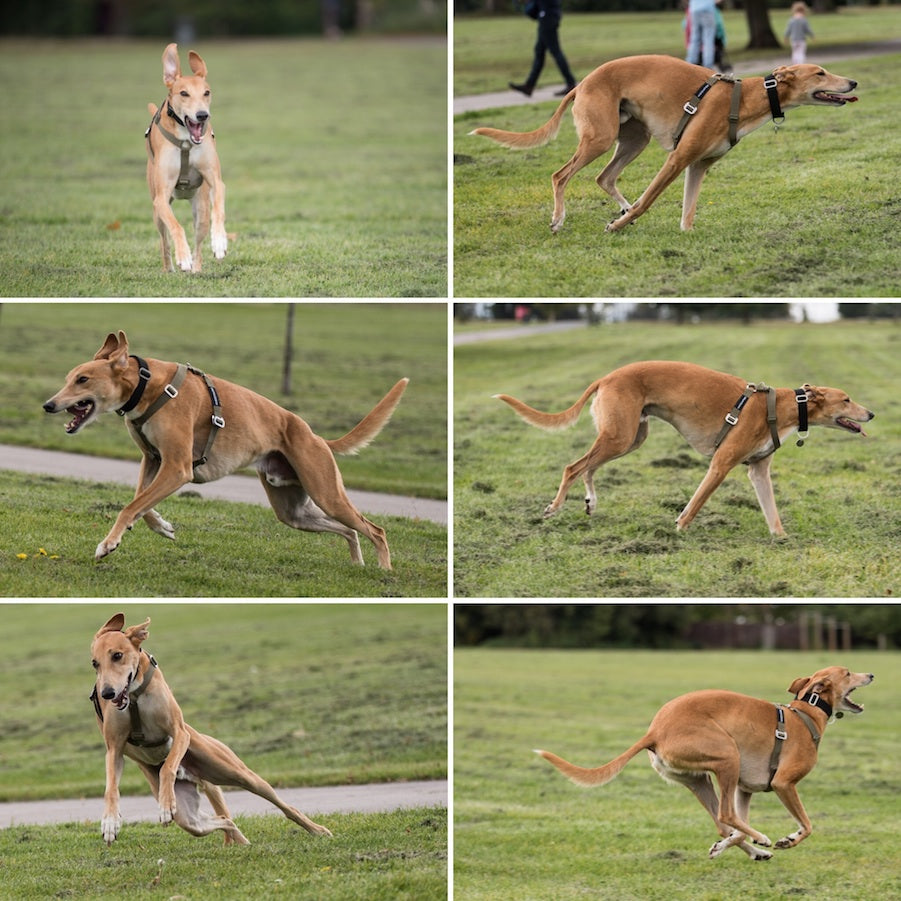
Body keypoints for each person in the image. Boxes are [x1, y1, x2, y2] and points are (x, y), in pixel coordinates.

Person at [509, 0, 578, 98]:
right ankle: (529, 85)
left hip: (547, 19)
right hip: (548, 18)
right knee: (539, 53)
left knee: (555, 52)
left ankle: (570, 83)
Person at [685, 0, 717, 70]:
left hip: (694, 9)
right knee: (708, 39)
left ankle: (690, 63)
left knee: (694, 38)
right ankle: (708, 66)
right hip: (707, 9)